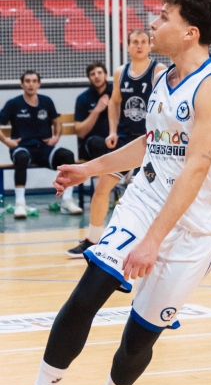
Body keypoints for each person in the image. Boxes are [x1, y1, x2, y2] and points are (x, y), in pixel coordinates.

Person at [0, 0, 211, 385]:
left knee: (137, 340)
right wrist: (91, 169)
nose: (153, 24)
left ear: (190, 32)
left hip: (196, 226)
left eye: (163, 16)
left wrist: (152, 243)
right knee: (93, 283)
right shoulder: (162, 78)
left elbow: (195, 169)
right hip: (145, 200)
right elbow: (152, 144)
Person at [68, 32, 167, 260]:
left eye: (144, 41)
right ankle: (92, 239)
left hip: (150, 141)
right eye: (135, 42)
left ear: (150, 45)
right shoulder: (120, 72)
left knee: (163, 190)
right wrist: (112, 131)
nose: (140, 45)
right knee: (103, 186)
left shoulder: (158, 71)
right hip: (125, 139)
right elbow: (114, 103)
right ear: (128, 46)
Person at [0, 71, 82, 219]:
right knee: (22, 156)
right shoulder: (13, 104)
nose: (31, 84)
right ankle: (20, 203)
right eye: (27, 81)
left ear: (39, 84)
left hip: (44, 149)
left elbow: (57, 122)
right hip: (22, 147)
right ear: (22, 84)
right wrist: (7, 142)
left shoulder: (46, 101)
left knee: (67, 155)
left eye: (33, 81)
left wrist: (56, 137)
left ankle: (67, 200)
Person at [67, 62, 114, 258]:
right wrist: (97, 110)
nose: (96, 76)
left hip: (117, 146)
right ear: (89, 78)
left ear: (106, 74)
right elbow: (80, 131)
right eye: (93, 74)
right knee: (96, 142)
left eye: (99, 73)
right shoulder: (83, 98)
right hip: (91, 150)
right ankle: (107, 187)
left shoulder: (116, 93)